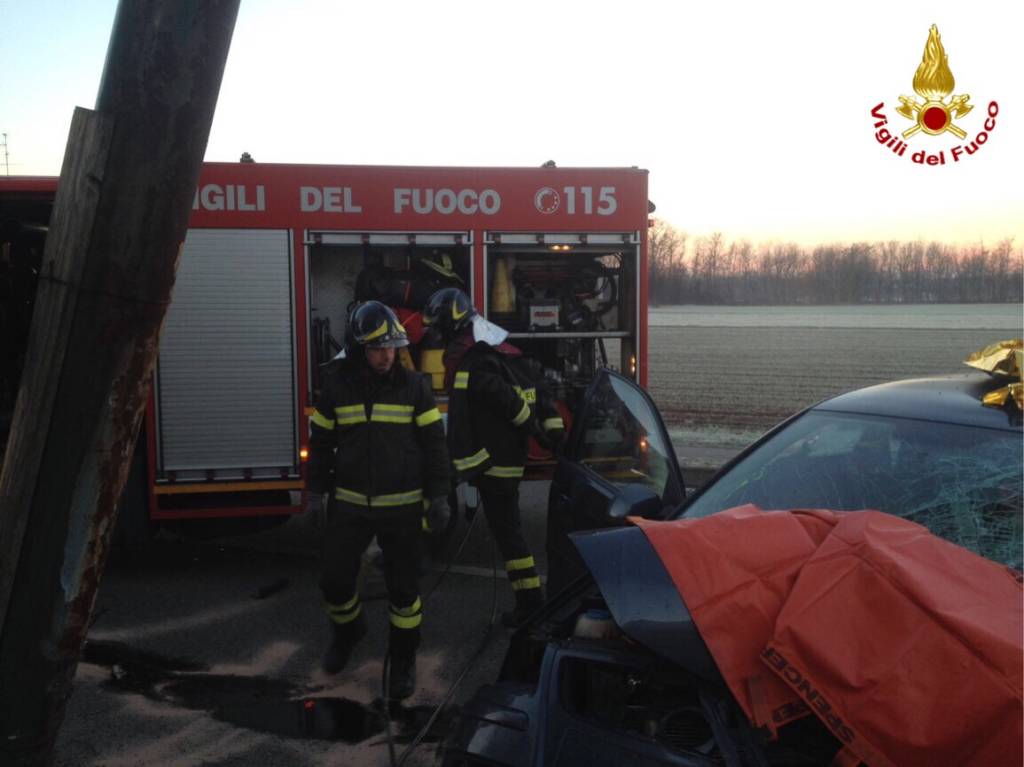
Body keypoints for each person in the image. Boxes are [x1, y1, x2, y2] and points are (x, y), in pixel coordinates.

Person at [306, 300, 450, 700]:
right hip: (351, 505)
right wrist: (315, 494)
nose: (388, 355)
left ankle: (402, 660)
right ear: (358, 348)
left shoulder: (414, 388)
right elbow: (321, 445)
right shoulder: (335, 387)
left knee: (404, 592)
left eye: (392, 347)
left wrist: (439, 495)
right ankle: (349, 631)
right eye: (377, 348)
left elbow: (434, 445)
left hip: (402, 508)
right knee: (334, 582)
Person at [422, 288, 565, 628]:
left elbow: (508, 401)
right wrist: (550, 432)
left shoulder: (475, 361)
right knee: (508, 533)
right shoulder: (500, 352)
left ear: (452, 326)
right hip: (498, 461)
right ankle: (530, 600)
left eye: (440, 329)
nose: (438, 337)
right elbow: (538, 391)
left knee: (509, 535)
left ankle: (531, 604)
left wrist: (530, 426)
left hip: (495, 465)